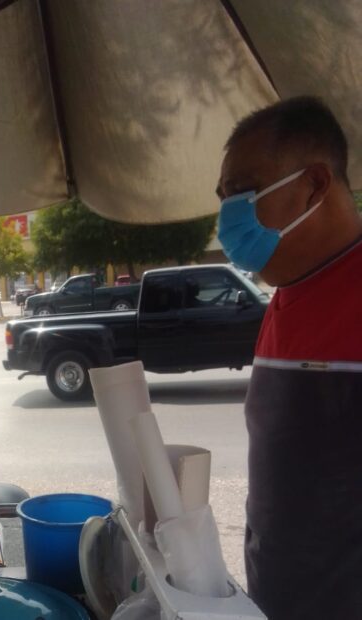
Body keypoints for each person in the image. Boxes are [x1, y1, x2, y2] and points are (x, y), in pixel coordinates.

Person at [216, 96, 362, 619]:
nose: (227, 217)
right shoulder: (287, 293)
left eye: (243, 192)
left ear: (315, 185)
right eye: (223, 199)